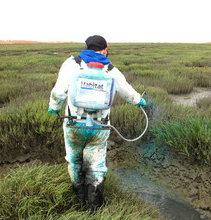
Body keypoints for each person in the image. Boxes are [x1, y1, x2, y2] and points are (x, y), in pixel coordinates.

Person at [48, 35, 146, 211]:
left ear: (86, 47)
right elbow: (127, 92)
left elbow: (58, 91)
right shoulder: (111, 70)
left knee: (74, 162)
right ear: (105, 50)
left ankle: (79, 203)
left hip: (73, 124)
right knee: (96, 167)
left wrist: (54, 108)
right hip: (99, 128)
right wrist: (139, 101)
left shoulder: (71, 64)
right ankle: (95, 208)